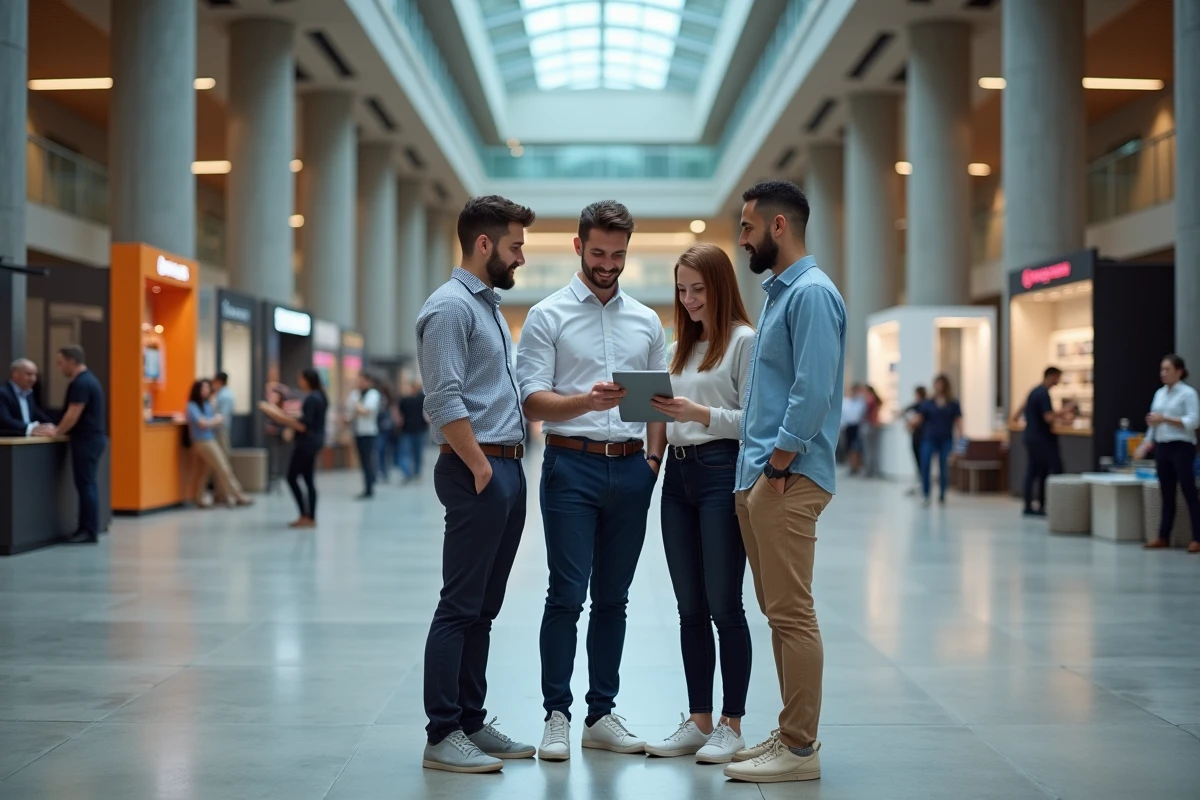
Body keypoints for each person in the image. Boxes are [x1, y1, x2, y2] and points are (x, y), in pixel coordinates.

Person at [516, 199, 667, 762]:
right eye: (598, 253)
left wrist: (652, 463)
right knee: (565, 594)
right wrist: (586, 401)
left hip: (630, 468)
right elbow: (532, 400)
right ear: (578, 246)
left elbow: (655, 403)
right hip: (570, 466)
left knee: (614, 599)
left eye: (618, 255)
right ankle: (557, 716)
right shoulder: (547, 315)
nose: (608, 264)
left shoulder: (645, 320)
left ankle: (600, 715)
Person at [724, 180, 845, 784]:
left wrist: (776, 465)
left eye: (748, 228)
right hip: (762, 478)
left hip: (786, 478)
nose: (742, 239)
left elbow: (811, 390)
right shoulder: (780, 294)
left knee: (792, 613)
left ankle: (799, 749)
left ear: (778, 226)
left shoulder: (812, 294)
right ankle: (791, 730)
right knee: (778, 613)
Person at [416, 195, 537, 774]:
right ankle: (442, 732)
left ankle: (469, 719)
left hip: (505, 467)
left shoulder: (486, 306)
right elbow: (443, 397)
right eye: (515, 247)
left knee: (484, 609)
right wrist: (481, 466)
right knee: (460, 605)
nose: (521, 258)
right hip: (477, 468)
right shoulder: (449, 307)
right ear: (484, 244)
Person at [641, 243, 755, 764]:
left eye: (698, 289)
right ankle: (699, 719)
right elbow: (662, 416)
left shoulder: (743, 342)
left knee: (724, 604)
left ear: (720, 287)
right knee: (689, 607)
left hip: (720, 472)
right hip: (678, 477)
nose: (688, 300)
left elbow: (755, 421)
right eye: (681, 290)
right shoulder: (678, 348)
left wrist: (699, 412)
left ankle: (732, 724)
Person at [1136, 354, 1200, 552]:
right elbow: (1153, 423)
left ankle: (1197, 538)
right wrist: (1146, 443)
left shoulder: (1188, 393)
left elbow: (1193, 421)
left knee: (1189, 490)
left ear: (1179, 371)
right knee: (1166, 492)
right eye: (1162, 369)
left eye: (1167, 369)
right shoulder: (1159, 393)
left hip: (1182, 446)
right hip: (1162, 446)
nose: (1163, 373)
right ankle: (1163, 536)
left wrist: (1165, 419)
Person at [52, 346, 107, 544]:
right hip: (93, 439)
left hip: (86, 440)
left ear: (72, 361)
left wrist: (57, 431)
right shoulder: (90, 380)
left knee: (86, 484)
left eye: (61, 363)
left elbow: (73, 414)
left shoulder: (81, 383)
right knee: (87, 483)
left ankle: (88, 529)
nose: (59, 368)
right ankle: (87, 527)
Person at [260, 369, 327, 528]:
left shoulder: (312, 399)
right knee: (308, 479)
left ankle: (305, 514)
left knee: (292, 477)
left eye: (301, 379)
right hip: (314, 441)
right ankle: (309, 516)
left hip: (306, 443)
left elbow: (304, 426)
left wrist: (282, 418)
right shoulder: (320, 396)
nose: (299, 382)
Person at [186, 379, 252, 508]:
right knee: (223, 467)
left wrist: (213, 419)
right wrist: (215, 421)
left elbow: (209, 420)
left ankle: (199, 498)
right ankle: (238, 495)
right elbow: (202, 423)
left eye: (207, 388)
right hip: (203, 441)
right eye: (203, 388)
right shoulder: (192, 406)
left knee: (202, 472)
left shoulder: (206, 405)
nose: (206, 390)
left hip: (209, 438)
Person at [913, 375, 963, 506]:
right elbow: (919, 418)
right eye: (937, 383)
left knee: (943, 465)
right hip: (929, 438)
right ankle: (926, 493)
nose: (939, 386)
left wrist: (961, 444)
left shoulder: (953, 403)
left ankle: (942, 493)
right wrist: (912, 423)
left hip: (945, 439)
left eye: (941, 384)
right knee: (925, 464)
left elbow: (959, 423)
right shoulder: (928, 403)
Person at [1020, 367, 1064, 517]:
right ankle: (1042, 503)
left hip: (1032, 436)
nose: (1058, 381)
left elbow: (1021, 410)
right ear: (1052, 376)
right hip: (1040, 438)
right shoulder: (1043, 393)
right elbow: (1048, 417)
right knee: (1045, 470)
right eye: (1057, 377)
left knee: (1034, 470)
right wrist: (1064, 411)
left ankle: (1030, 504)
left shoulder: (1034, 391)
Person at [345, 373, 382, 499]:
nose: (359, 383)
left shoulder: (373, 394)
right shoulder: (355, 394)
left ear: (368, 382)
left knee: (368, 460)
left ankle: (369, 487)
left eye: (362, 381)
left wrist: (356, 406)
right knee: (362, 461)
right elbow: (350, 411)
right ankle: (367, 484)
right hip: (357, 432)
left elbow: (367, 411)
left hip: (369, 432)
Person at [1, 359, 56, 437]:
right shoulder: (2, 393)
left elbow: (36, 413)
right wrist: (29, 428)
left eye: (35, 375)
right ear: (15, 374)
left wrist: (49, 425)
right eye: (29, 374)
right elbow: (4, 420)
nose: (33, 379)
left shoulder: (29, 394)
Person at [397, 380, 430, 483]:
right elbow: (399, 413)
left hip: (420, 430)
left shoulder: (423, 399)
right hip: (407, 430)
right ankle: (407, 474)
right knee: (405, 453)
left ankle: (416, 473)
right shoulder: (405, 400)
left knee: (417, 453)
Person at [904, 386, 928, 494]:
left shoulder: (926, 406)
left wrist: (961, 448)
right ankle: (922, 486)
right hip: (918, 437)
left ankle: (924, 487)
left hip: (925, 439)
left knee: (923, 463)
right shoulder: (917, 406)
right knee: (919, 463)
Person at [374, 377, 395, 483]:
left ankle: (383, 471)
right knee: (381, 450)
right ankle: (382, 471)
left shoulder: (384, 398)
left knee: (381, 450)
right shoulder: (380, 396)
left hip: (384, 427)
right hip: (381, 426)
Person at [841, 384, 866, 474]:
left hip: (857, 426)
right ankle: (852, 465)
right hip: (848, 426)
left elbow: (860, 414)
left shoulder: (861, 402)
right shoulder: (846, 402)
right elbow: (844, 415)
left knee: (855, 447)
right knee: (848, 447)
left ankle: (856, 466)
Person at [860, 385, 883, 478]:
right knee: (874, 449)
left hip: (869, 425)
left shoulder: (869, 399)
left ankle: (869, 470)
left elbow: (865, 413)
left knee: (868, 449)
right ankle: (875, 469)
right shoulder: (876, 400)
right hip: (874, 425)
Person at [211, 371, 235, 454]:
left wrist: (211, 422)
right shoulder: (220, 393)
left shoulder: (225, 395)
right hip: (217, 426)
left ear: (219, 381)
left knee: (223, 449)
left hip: (221, 427)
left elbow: (223, 414)